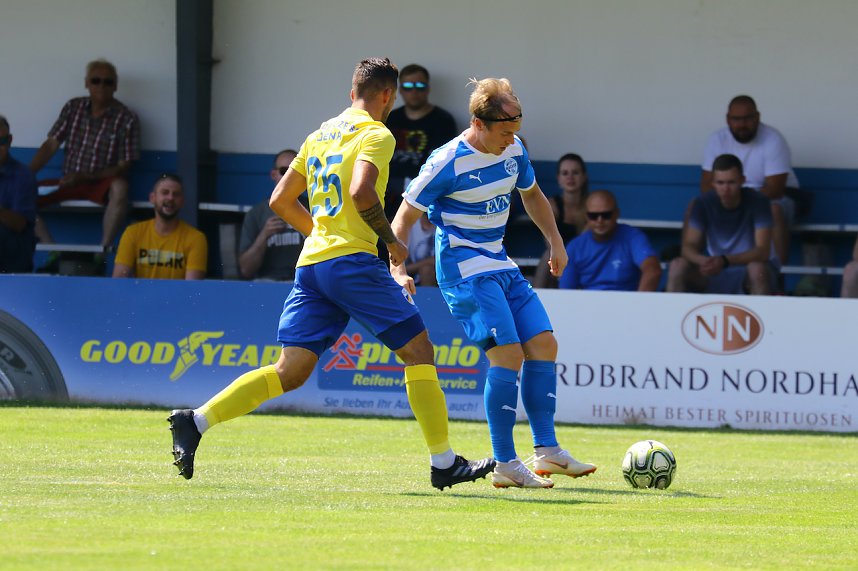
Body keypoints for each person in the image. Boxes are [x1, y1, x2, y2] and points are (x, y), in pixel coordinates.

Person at [167, 58, 495, 490]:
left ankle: (196, 420)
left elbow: (280, 200)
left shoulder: (320, 134)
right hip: (351, 263)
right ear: (387, 96)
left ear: (350, 93)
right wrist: (391, 243)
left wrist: (320, 232)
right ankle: (444, 462)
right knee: (420, 352)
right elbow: (361, 192)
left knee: (290, 371)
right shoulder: (377, 134)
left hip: (313, 265)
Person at [390, 77, 596, 489]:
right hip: (465, 270)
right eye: (504, 132)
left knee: (543, 345)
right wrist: (397, 268)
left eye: (514, 131)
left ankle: (548, 452)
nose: (511, 141)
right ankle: (505, 462)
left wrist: (555, 241)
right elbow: (404, 217)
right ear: (479, 123)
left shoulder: (514, 148)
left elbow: (533, 195)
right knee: (508, 355)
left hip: (499, 262)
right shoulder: (446, 161)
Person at [29, 58, 140, 265]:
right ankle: (52, 250)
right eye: (96, 80)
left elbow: (125, 165)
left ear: (115, 86)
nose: (101, 86)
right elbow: (51, 145)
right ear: (86, 83)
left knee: (121, 186)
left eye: (108, 82)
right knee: (21, 192)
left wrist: (86, 177)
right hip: (67, 181)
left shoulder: (127, 118)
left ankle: (102, 252)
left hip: (99, 184)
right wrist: (26, 173)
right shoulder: (73, 107)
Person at [701, 95, 799, 265]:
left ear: (757, 117)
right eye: (736, 119)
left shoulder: (773, 139)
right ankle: (706, 271)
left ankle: (777, 276)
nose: (742, 124)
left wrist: (739, 201)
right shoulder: (717, 139)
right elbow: (706, 186)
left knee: (773, 210)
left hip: (774, 199)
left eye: (747, 118)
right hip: (731, 196)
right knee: (696, 209)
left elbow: (775, 189)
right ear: (727, 119)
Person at [669, 154, 775, 295]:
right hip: (713, 271)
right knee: (677, 265)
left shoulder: (758, 202)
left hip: (746, 272)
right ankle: (674, 316)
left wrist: (725, 261)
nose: (725, 189)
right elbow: (688, 247)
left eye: (731, 182)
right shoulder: (702, 203)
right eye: (720, 183)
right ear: (712, 183)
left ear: (742, 181)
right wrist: (703, 261)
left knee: (757, 269)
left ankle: (761, 316)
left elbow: (762, 252)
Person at [384, 64, 457, 221]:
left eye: (420, 85)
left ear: (428, 88)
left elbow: (442, 167)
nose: (414, 92)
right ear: (400, 90)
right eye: (408, 86)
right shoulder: (390, 119)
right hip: (388, 195)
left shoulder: (443, 120)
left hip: (425, 197)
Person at [559, 190, 661, 291]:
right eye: (593, 216)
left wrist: (639, 304)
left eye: (606, 215)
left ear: (616, 213)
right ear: (586, 216)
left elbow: (652, 270)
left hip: (627, 303)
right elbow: (565, 291)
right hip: (589, 304)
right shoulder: (575, 247)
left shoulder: (632, 237)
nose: (600, 220)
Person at [112, 173, 207, 280]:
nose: (170, 197)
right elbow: (118, 280)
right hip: (142, 296)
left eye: (176, 194)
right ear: (153, 198)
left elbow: (191, 290)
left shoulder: (196, 238)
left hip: (177, 297)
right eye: (165, 192)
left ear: (182, 202)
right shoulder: (133, 233)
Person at [238, 149, 307, 281]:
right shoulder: (256, 214)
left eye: (297, 171)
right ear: (273, 174)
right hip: (267, 283)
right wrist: (264, 235)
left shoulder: (315, 208)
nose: (290, 176)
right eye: (284, 171)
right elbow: (246, 270)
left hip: (304, 282)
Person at [533, 153, 589, 288]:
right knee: (548, 256)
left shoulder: (591, 206)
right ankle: (537, 295)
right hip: (557, 258)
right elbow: (549, 243)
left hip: (584, 257)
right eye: (565, 173)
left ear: (584, 177)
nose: (570, 177)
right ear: (559, 178)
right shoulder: (551, 206)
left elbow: (586, 244)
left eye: (575, 172)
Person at [0, 115, 38, 273]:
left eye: (1, 142)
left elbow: (20, 224)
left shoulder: (23, 175)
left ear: (9, 141)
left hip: (12, 253)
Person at [403, 212, 437, 286]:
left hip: (436, 275)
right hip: (407, 273)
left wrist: (406, 269)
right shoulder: (407, 223)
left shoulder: (444, 225)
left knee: (426, 270)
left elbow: (437, 260)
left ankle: (428, 297)